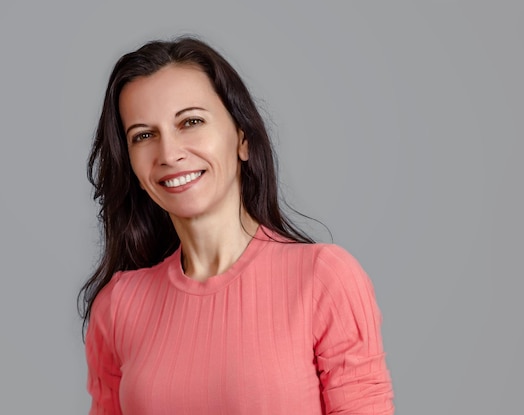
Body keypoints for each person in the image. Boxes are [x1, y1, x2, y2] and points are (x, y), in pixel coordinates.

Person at [78, 36, 394, 415]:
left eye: (190, 122)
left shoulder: (323, 279)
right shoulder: (117, 308)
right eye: (144, 135)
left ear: (242, 138)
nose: (169, 153)